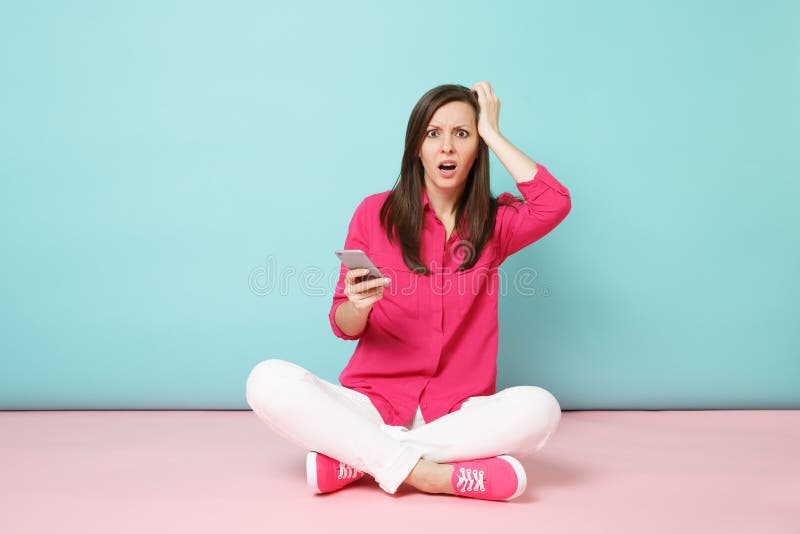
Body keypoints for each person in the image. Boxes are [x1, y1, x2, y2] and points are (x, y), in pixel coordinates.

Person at [246, 81, 571, 501]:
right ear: (416, 146)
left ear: (477, 148)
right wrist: (359, 307)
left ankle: (359, 459)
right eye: (433, 134)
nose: (447, 147)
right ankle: (434, 476)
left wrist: (492, 131)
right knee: (267, 380)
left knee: (541, 409)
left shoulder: (497, 223)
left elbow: (554, 203)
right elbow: (342, 325)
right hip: (373, 405)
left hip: (455, 417)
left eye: (462, 133)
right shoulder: (374, 213)